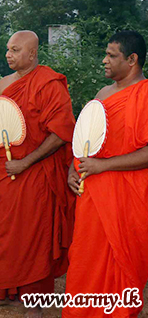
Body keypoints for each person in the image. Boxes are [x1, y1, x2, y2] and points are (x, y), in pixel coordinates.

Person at [0, 30, 76, 318]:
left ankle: (35, 302)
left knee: (35, 236)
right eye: (8, 49)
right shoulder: (3, 85)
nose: (8, 54)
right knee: (8, 233)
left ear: (32, 54)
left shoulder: (49, 84)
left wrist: (27, 162)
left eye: (15, 50)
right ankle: (6, 291)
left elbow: (60, 133)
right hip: (8, 172)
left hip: (37, 172)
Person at [65, 31, 148, 318]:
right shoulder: (102, 95)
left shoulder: (145, 95)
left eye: (112, 55)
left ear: (132, 59)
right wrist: (71, 171)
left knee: (122, 266)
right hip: (93, 197)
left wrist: (104, 165)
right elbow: (83, 142)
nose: (104, 60)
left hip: (128, 199)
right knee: (86, 259)